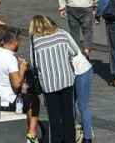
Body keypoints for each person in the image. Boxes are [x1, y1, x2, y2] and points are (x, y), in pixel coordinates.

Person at [29, 15, 80, 143]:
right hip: (66, 79)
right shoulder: (62, 34)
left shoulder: (35, 42)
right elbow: (74, 51)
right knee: (68, 114)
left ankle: (56, 140)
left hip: (49, 84)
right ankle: (70, 140)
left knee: (54, 117)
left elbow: (33, 64)